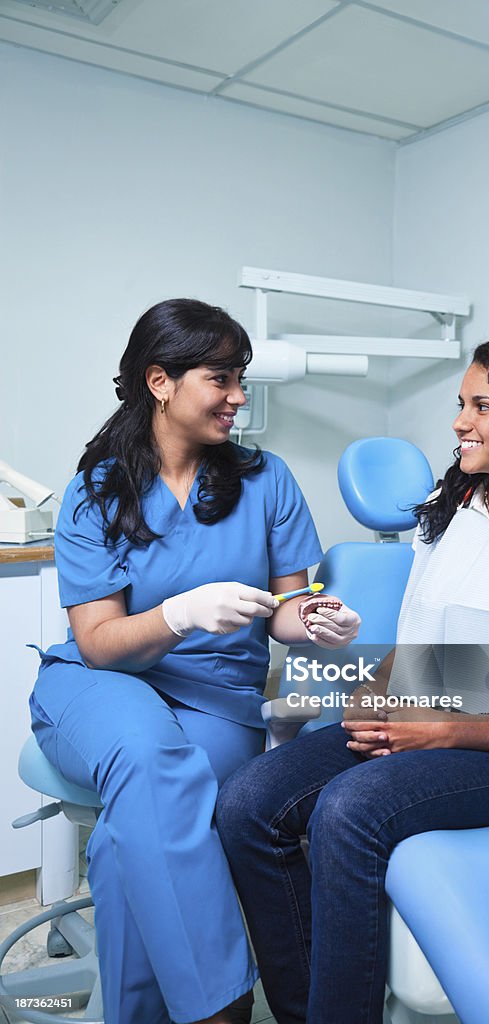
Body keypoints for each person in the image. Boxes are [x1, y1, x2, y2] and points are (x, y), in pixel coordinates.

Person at [216, 335, 489, 1024]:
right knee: (247, 801)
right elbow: (419, 639)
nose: (458, 421)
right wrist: (373, 693)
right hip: (424, 718)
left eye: (480, 406)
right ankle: (306, 1009)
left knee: (347, 809)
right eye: (459, 404)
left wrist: (450, 730)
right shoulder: (449, 503)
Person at [28, 298, 360, 1024]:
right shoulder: (96, 493)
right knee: (151, 763)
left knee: (127, 841)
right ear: (160, 381)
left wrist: (319, 619)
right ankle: (221, 1007)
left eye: (240, 377)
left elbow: (289, 607)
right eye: (222, 379)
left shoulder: (264, 480)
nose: (239, 396)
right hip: (102, 684)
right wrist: (180, 614)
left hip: (216, 697)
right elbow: (99, 642)